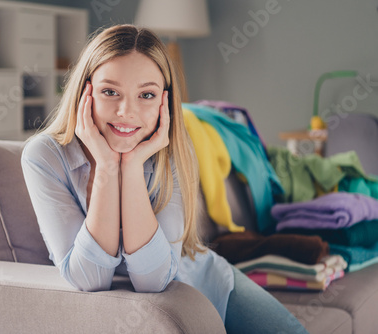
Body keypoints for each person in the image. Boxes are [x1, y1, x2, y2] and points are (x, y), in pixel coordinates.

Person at [21, 24, 309, 334]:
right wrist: (107, 167)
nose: (126, 112)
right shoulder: (44, 156)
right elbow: (90, 279)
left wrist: (131, 166)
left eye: (146, 95)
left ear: (164, 103)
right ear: (84, 93)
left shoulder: (169, 152)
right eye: (110, 91)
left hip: (202, 282)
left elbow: (155, 279)